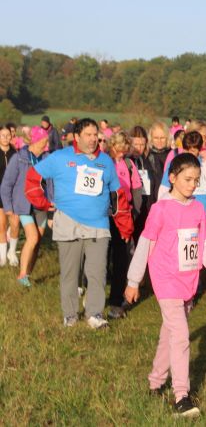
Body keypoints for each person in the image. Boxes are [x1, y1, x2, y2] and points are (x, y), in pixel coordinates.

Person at [124, 153, 206, 418]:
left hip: (188, 282)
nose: (193, 185)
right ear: (172, 178)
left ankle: (155, 383)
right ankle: (182, 396)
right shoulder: (160, 209)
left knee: (169, 335)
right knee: (180, 336)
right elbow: (145, 244)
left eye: (196, 180)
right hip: (165, 280)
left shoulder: (197, 209)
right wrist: (134, 281)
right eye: (187, 179)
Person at [24, 118, 133, 328]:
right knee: (70, 273)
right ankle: (70, 315)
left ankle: (94, 314)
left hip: (98, 225)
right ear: (76, 137)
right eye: (88, 135)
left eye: (95, 135)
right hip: (68, 223)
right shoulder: (60, 157)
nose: (93, 139)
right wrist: (43, 202)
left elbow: (118, 196)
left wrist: (125, 226)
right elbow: (33, 177)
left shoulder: (106, 161)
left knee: (97, 273)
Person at [1, 127, 52, 287]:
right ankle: (21, 275)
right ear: (35, 140)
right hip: (24, 205)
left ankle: (28, 274)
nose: (47, 144)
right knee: (33, 238)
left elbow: (51, 183)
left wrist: (52, 204)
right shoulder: (19, 158)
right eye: (44, 141)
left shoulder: (47, 158)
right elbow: (6, 184)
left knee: (37, 242)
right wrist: (8, 207)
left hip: (41, 205)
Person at [107, 132, 142, 319]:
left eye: (124, 151)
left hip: (124, 215)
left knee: (121, 259)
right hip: (104, 215)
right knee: (102, 258)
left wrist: (134, 213)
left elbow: (136, 189)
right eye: (118, 150)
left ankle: (116, 301)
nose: (121, 154)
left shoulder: (129, 164)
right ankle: (92, 295)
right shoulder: (104, 161)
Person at [0, 125, 20, 267]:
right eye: (3, 135)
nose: (6, 138)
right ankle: (2, 257)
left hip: (13, 194)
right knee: (1, 225)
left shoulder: (16, 153)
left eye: (8, 135)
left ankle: (11, 252)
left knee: (15, 224)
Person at [147, 121, 171, 200]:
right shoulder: (146, 156)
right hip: (150, 200)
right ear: (151, 139)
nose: (159, 141)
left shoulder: (173, 155)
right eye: (156, 138)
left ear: (167, 138)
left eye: (162, 138)